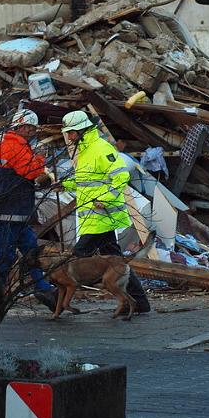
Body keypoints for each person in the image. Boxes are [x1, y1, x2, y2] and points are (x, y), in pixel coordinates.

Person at [60, 110, 151, 313]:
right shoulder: (84, 151)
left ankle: (57, 297)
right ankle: (141, 303)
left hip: (102, 216)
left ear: (84, 130)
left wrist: (104, 199)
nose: (70, 137)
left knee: (75, 257)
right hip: (94, 217)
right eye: (68, 133)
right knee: (116, 261)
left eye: (73, 132)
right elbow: (86, 183)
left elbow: (121, 176)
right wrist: (64, 183)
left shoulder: (100, 148)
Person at [0, 108, 58, 311]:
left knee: (30, 247)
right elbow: (31, 172)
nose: (33, 132)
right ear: (21, 127)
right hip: (10, 210)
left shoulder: (9, 144)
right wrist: (41, 159)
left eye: (33, 129)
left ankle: (42, 287)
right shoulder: (15, 146)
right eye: (30, 128)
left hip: (15, 209)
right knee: (4, 254)